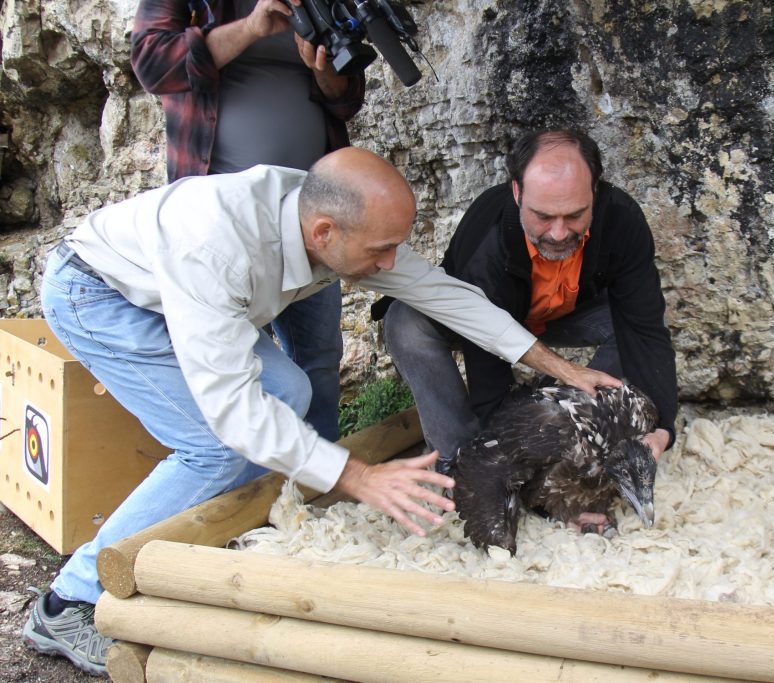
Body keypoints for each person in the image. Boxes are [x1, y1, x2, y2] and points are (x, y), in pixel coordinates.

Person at [21, 148, 617, 675]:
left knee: (289, 397)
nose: (390, 265)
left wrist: (559, 366)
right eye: (381, 251)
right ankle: (66, 603)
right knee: (216, 443)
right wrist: (357, 475)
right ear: (324, 233)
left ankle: (203, 548)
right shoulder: (215, 247)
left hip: (181, 294)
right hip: (100, 293)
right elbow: (233, 412)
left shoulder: (340, 218)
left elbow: (444, 295)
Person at [380, 129, 678, 483]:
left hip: (559, 315)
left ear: (594, 195)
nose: (557, 233)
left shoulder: (622, 219)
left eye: (575, 215)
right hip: (478, 319)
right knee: (404, 322)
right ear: (517, 192)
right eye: (543, 216)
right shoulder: (487, 238)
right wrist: (507, 466)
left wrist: (663, 430)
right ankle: (458, 461)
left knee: (625, 321)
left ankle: (582, 431)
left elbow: (645, 329)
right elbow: (486, 362)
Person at [131, 0, 367, 442]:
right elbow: (152, 64)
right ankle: (244, 487)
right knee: (237, 366)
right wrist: (251, 28)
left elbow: (347, 98)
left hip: (310, 215)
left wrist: (324, 72)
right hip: (222, 230)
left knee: (318, 357)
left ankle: (321, 486)